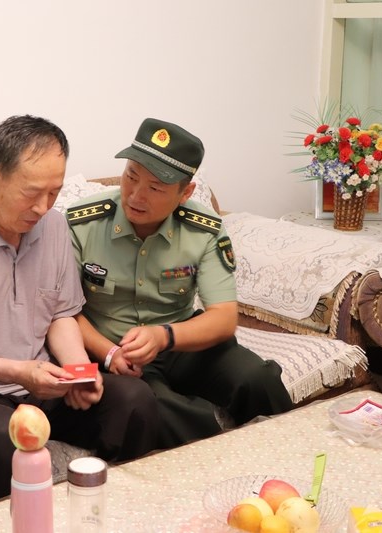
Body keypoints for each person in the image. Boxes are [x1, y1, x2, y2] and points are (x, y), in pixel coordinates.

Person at [0, 114, 159, 506]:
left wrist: (78, 371)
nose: (43, 207)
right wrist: (18, 372)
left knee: (134, 400)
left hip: (46, 383)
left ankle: (126, 515)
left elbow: (60, 314)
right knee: (6, 441)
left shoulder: (54, 227)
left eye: (54, 192)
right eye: (32, 193)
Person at [67, 117, 294, 449]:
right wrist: (109, 353)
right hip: (114, 349)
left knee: (258, 379)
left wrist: (163, 336)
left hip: (178, 341)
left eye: (156, 188)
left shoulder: (203, 229)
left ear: (185, 193)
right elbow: (64, 313)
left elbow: (223, 317)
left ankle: (291, 461)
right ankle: (219, 471)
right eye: (131, 176)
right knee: (164, 409)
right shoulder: (82, 223)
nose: (136, 195)